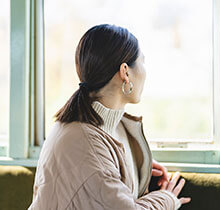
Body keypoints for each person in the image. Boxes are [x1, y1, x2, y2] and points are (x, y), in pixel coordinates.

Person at [28, 24, 191, 210]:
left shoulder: (104, 126)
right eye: (142, 62)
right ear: (125, 72)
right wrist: (167, 198)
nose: (145, 72)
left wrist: (137, 166)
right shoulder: (82, 142)